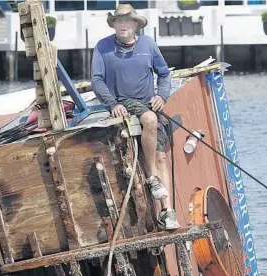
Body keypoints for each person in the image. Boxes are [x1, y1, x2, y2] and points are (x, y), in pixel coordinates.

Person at [91, 4, 180, 230]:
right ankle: (151, 178)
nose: (123, 25)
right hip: (124, 102)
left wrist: (162, 95)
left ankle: (168, 212)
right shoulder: (103, 47)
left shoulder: (148, 45)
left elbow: (164, 73)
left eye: (127, 21)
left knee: (161, 156)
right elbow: (97, 80)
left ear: (135, 24)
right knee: (149, 119)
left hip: (149, 103)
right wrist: (112, 104)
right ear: (114, 24)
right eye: (119, 21)